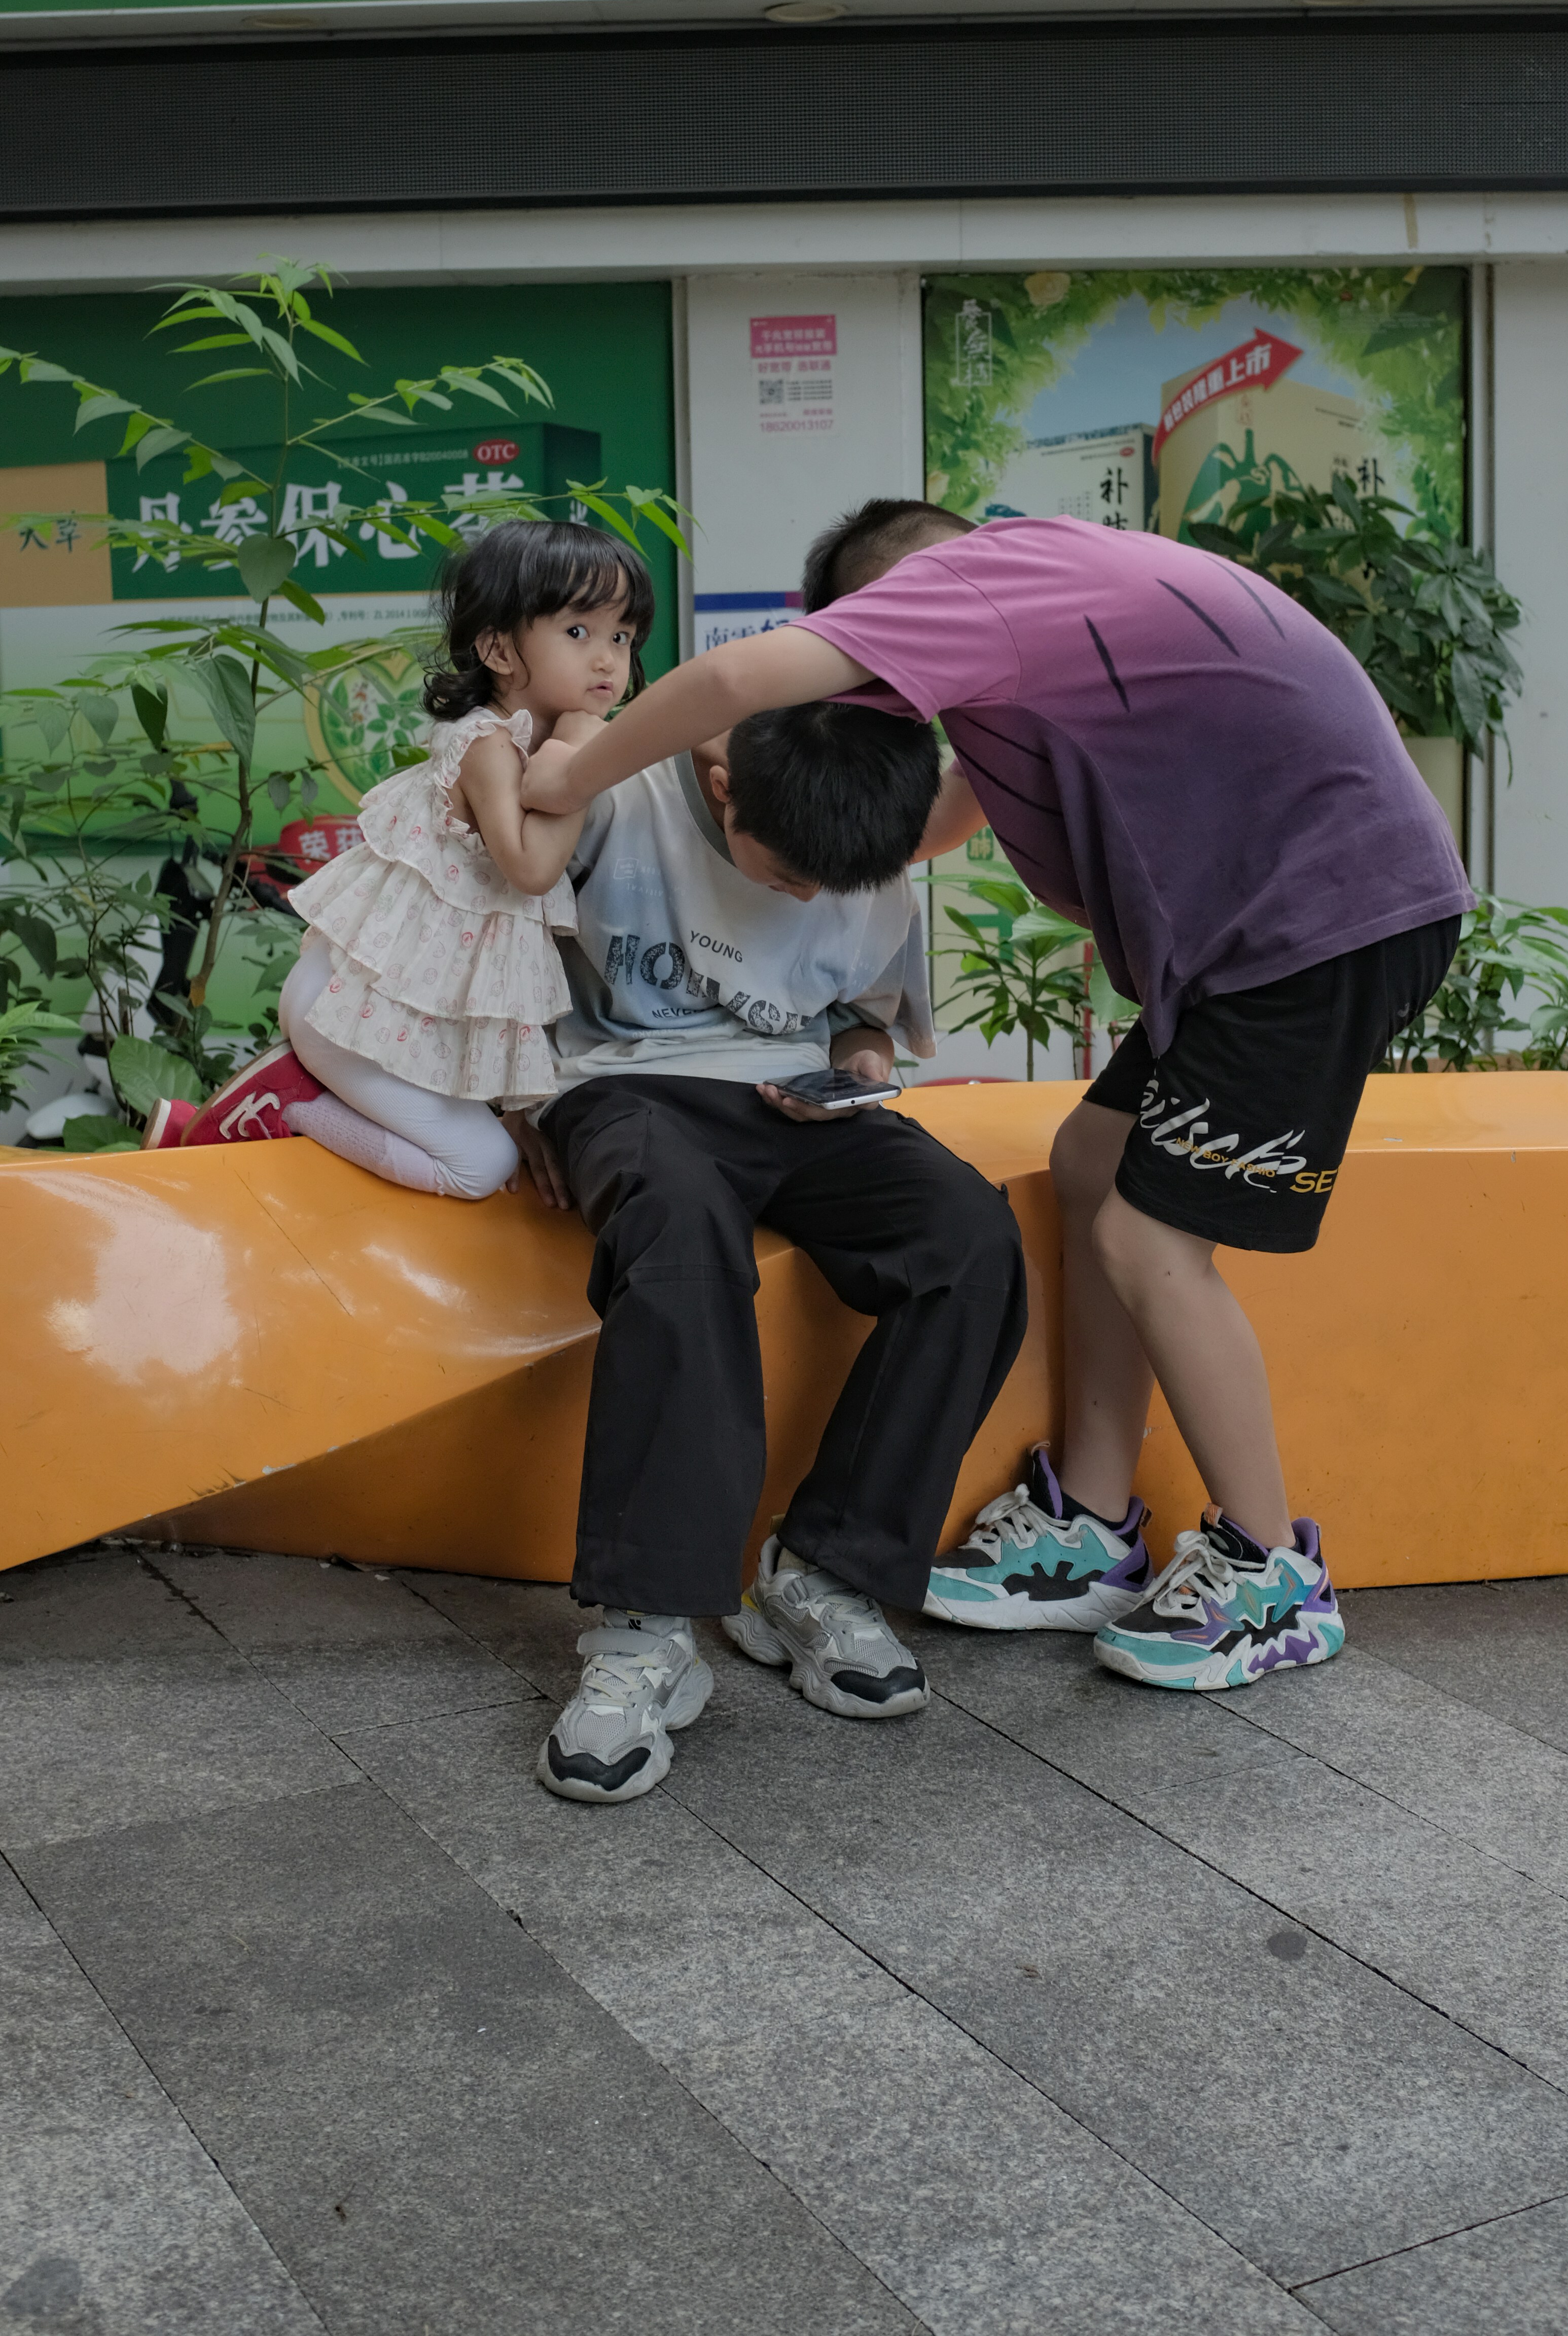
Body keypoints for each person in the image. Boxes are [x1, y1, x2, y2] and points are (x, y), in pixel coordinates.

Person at [520, 501, 1471, 1693]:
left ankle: (1272, 1569)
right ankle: (1089, 1518)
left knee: (1146, 1235)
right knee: (1089, 1162)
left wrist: (571, 767)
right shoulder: (1060, 606)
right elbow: (943, 812)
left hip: (1315, 933)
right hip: (1250, 943)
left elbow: (734, 672)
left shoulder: (968, 586)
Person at [511, 697, 1029, 1804]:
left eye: (830, 881)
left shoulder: (863, 831)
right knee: (682, 1232)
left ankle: (823, 1572)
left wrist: (856, 1062)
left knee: (969, 1236)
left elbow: (860, 1016)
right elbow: (493, 948)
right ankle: (646, 1631)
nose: (806, 892)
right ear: (720, 787)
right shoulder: (621, 792)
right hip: (624, 1085)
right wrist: (507, 1104)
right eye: (786, 870)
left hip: (797, 1099)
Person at [170, 519, 648, 1190]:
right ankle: (290, 1108)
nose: (608, 659)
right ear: (499, 650)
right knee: (481, 1167)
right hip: (342, 1011)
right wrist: (577, 755)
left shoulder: (527, 741)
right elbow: (532, 869)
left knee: (493, 1150)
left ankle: (264, 1109)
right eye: (579, 633)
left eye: (622, 636)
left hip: (371, 1014)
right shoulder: (489, 744)